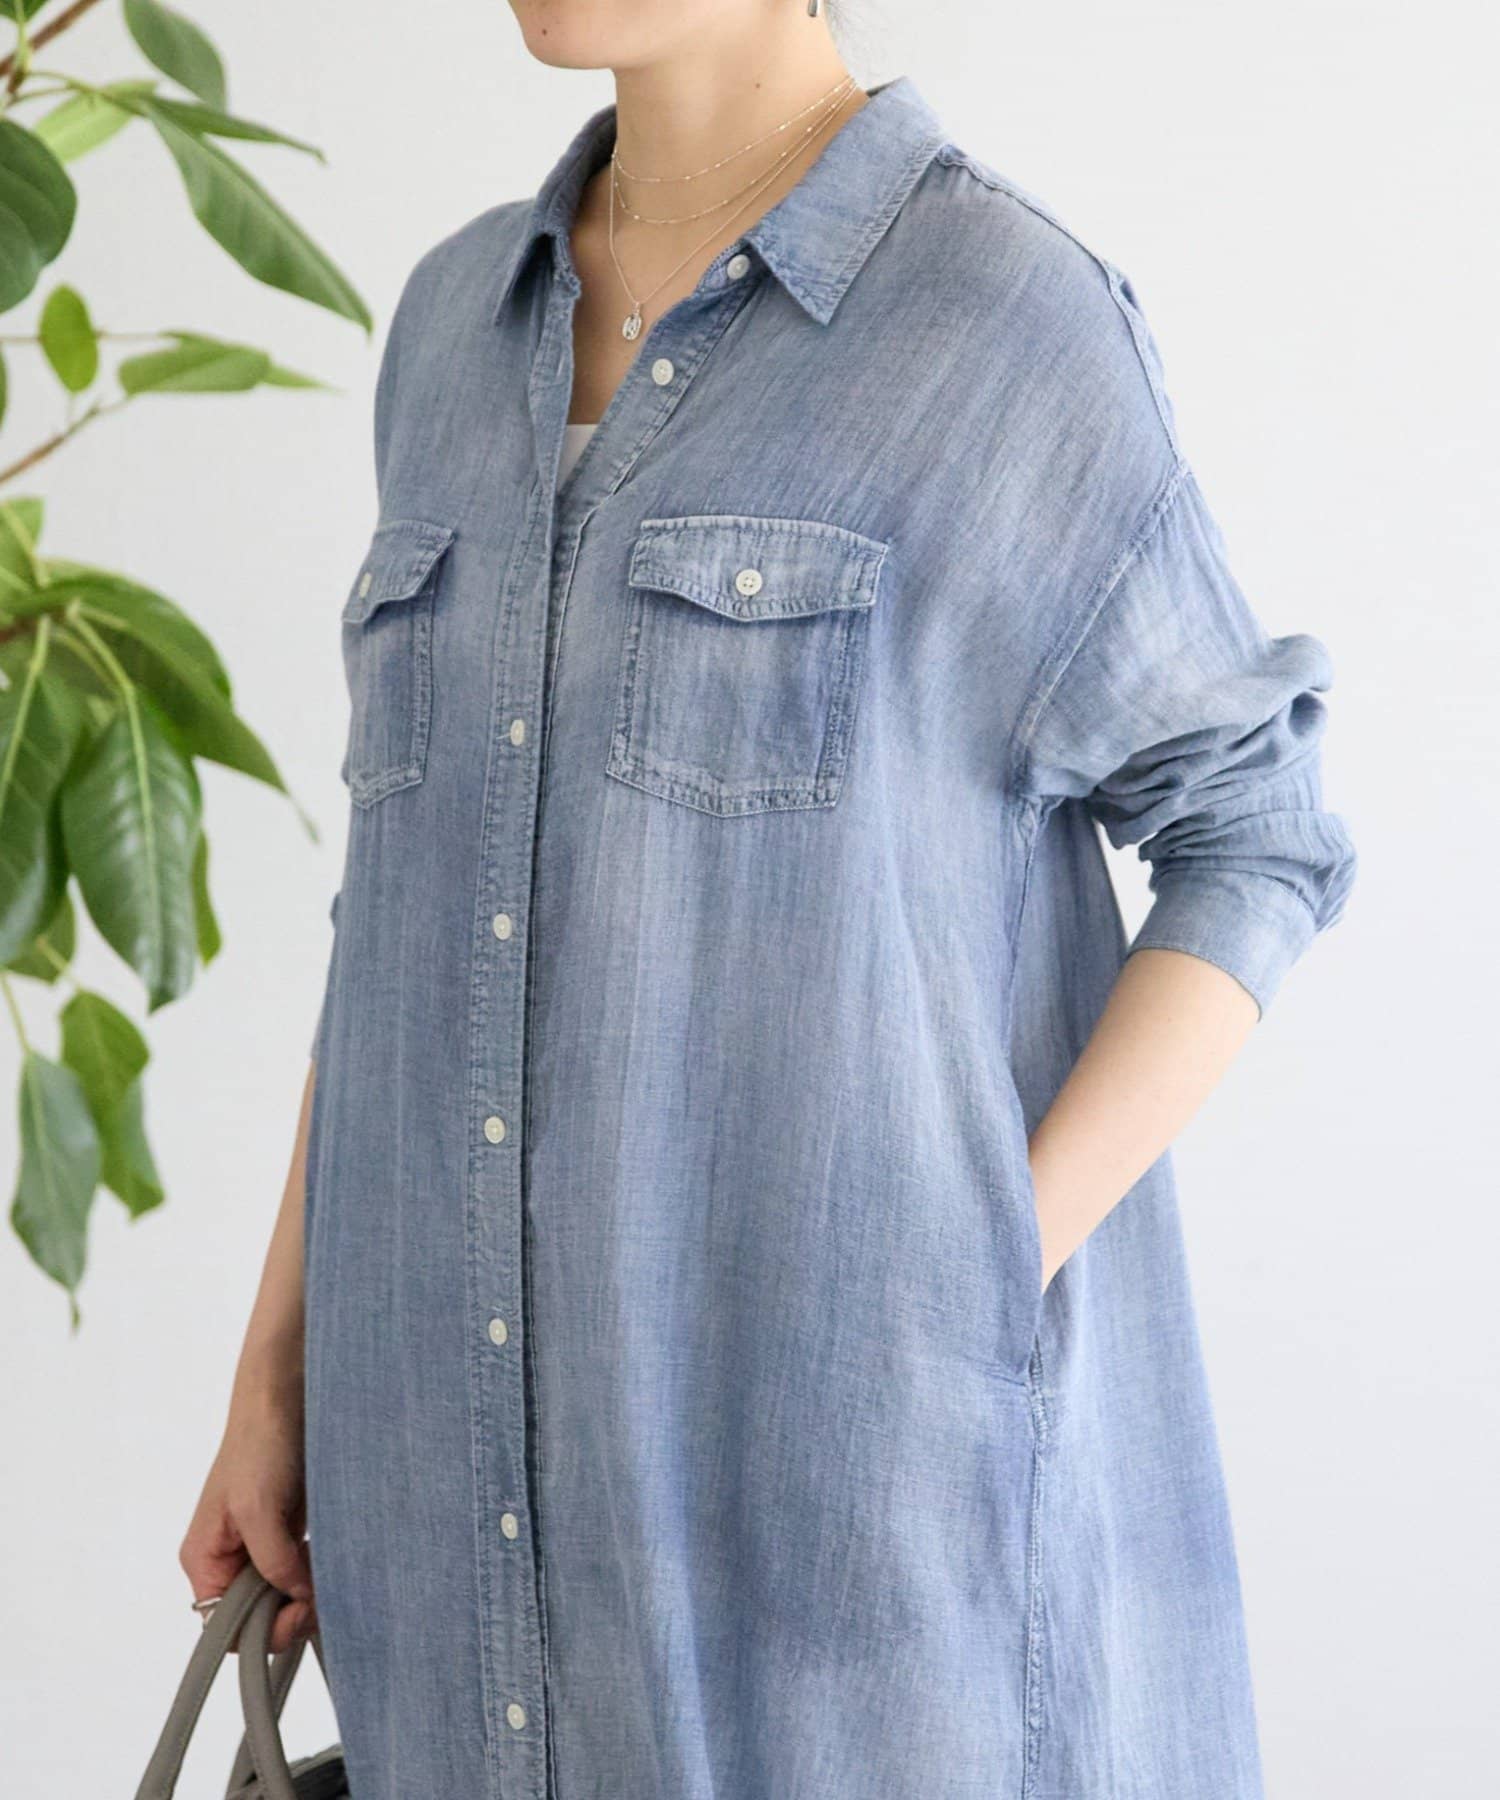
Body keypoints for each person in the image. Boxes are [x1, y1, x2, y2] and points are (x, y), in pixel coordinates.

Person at [180, 4, 1356, 1796]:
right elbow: (404, 914)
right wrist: (275, 1377)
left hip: (843, 1542)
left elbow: (1256, 829)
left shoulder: (1000, 316)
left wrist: (972, 1274)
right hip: (440, 1516)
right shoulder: (449, 327)